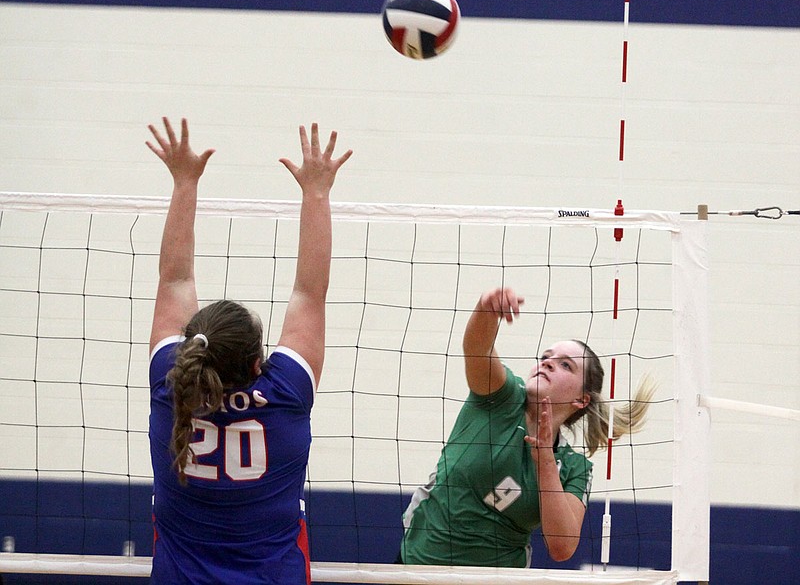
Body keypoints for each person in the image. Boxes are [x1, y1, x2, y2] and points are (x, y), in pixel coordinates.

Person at [146, 117, 351, 584]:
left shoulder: (169, 387)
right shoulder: (285, 394)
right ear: (259, 363)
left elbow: (174, 279)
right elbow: (310, 292)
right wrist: (317, 192)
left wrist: (183, 183)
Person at [399, 287, 654, 568]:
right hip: (418, 569)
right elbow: (477, 348)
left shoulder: (574, 467)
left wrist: (545, 456)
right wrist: (486, 308)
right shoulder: (502, 397)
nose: (547, 363)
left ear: (581, 399)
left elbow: (562, 546)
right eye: (546, 356)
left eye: (565, 365)